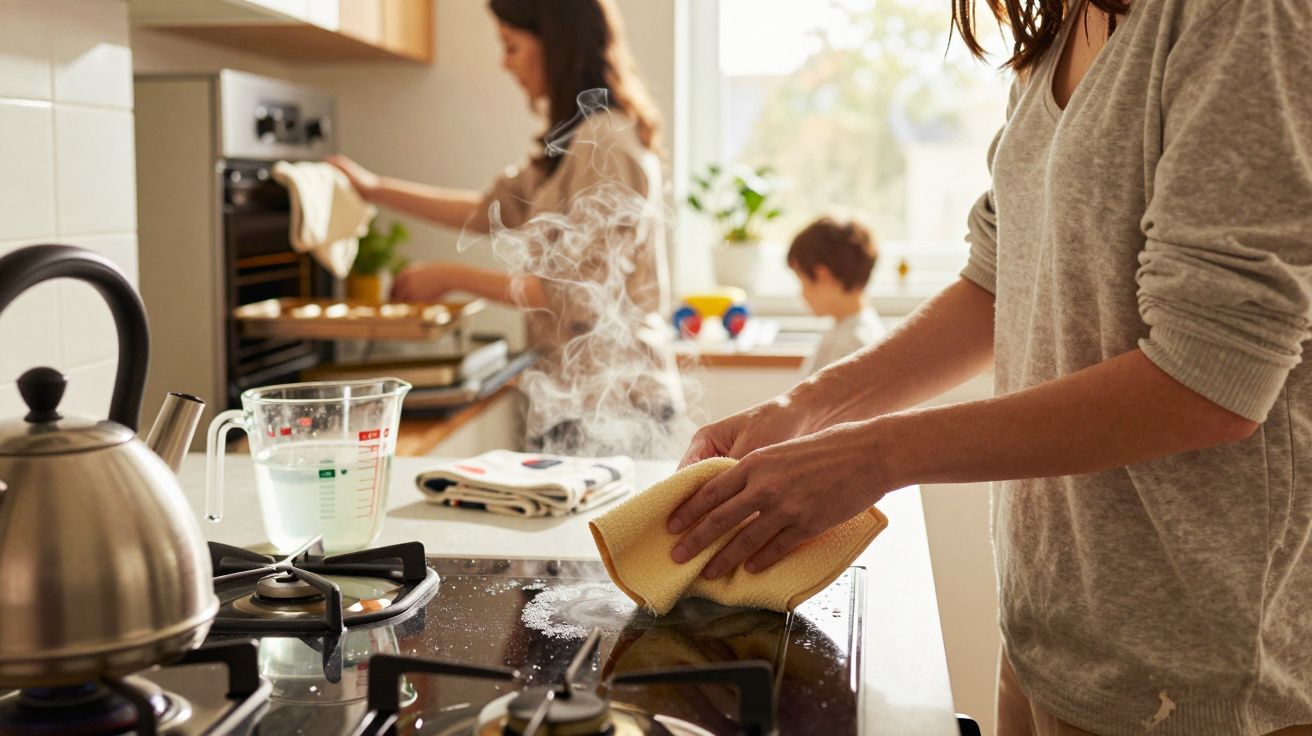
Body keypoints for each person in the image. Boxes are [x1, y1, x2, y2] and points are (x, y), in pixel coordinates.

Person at [668, 0, 1312, 733]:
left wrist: (874, 455)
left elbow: (1212, 378)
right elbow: (997, 278)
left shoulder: (1245, 16)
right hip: (1051, 632)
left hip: (1195, 670)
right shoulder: (1065, 27)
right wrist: (809, 408)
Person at [327, 0, 683, 457]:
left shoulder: (606, 143)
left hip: (616, 404)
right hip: (572, 397)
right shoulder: (571, 142)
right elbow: (486, 211)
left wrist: (449, 278)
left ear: (554, 46)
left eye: (511, 46)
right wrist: (372, 189)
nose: (505, 63)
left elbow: (575, 293)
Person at [786, 216, 885, 375]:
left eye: (802, 281)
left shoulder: (851, 345)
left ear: (823, 276)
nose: (801, 293)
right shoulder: (849, 331)